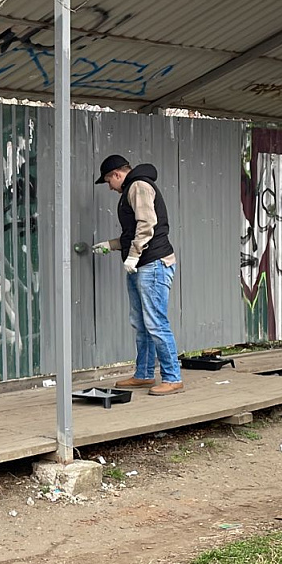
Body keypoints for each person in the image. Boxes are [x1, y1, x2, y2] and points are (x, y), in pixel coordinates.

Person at [93, 154, 184, 396]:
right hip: (142, 264)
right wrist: (111, 245)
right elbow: (133, 231)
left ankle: (173, 378)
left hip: (153, 263)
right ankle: (144, 374)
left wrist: (133, 254)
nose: (110, 187)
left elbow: (146, 224)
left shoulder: (138, 186)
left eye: (108, 181)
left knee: (155, 322)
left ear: (116, 175)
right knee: (141, 323)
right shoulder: (132, 188)